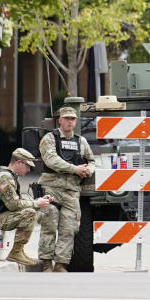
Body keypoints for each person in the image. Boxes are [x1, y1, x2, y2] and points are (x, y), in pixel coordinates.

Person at [38, 106, 96, 273]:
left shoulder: (81, 141)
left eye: (73, 119)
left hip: (72, 191)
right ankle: (47, 263)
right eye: (67, 118)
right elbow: (51, 160)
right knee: (49, 225)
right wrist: (74, 169)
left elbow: (91, 160)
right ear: (60, 120)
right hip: (52, 188)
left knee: (69, 228)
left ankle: (61, 264)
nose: (70, 121)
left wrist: (87, 170)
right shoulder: (50, 138)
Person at [0, 148, 55, 267]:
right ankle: (16, 252)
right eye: (27, 166)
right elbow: (13, 205)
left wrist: (38, 201)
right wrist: (36, 204)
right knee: (29, 213)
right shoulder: (5, 177)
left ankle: (20, 251)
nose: (29, 170)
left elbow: (16, 202)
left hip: (1, 215)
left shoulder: (11, 176)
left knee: (30, 210)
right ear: (19, 162)